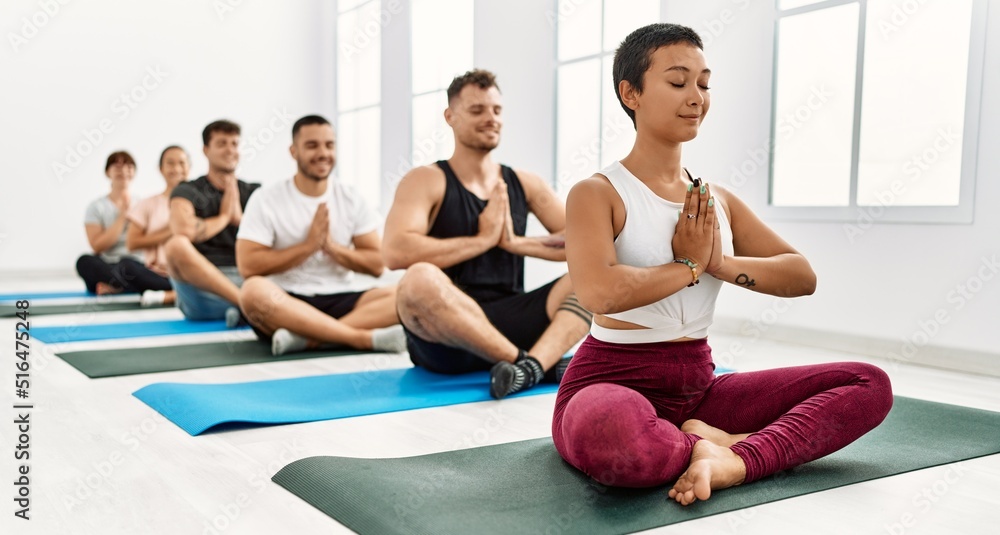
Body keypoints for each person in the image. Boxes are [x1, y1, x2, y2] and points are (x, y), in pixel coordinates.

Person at [553, 23, 893, 506]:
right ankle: (710, 445)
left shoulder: (716, 200)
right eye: (677, 82)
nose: (696, 97)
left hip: (698, 387)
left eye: (704, 83)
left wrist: (719, 264)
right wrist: (689, 266)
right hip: (609, 382)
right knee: (617, 438)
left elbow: (802, 276)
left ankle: (734, 459)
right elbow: (600, 293)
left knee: (868, 384)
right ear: (631, 93)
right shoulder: (598, 193)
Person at [384, 69, 592, 399]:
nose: (490, 119)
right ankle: (534, 365)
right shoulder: (426, 179)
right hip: (447, 337)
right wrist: (482, 241)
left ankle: (525, 369)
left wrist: (515, 243)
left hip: (512, 318)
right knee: (417, 280)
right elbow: (395, 251)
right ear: (450, 116)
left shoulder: (524, 183)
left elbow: (587, 242)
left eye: (496, 110)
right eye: (477, 110)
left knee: (589, 275)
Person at [236, 115, 405, 355]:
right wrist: (308, 246)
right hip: (287, 300)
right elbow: (248, 266)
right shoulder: (266, 199)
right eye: (312, 145)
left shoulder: (350, 197)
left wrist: (332, 248)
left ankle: (310, 340)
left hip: (343, 298)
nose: (323, 153)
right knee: (252, 291)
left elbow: (377, 265)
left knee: (407, 292)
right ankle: (359, 338)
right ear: (294, 151)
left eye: (329, 145)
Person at [163, 120, 260, 323]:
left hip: (249, 280)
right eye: (222, 143)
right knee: (175, 245)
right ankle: (247, 306)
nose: (230, 150)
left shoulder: (254, 191)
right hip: (203, 290)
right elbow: (184, 231)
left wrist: (239, 219)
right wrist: (224, 218)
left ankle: (240, 311)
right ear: (206, 150)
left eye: (234, 144)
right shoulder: (187, 190)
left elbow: (272, 238)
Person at [76, 151, 174, 297]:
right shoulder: (96, 207)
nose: (123, 170)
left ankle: (118, 287)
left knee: (128, 266)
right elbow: (97, 246)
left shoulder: (143, 203)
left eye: (128, 166)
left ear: (134, 172)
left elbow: (151, 240)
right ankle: (129, 287)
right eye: (117, 166)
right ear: (107, 172)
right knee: (84, 262)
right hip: (108, 264)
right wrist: (122, 217)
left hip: (137, 265)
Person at [125, 145, 191, 307]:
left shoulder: (200, 202)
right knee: (126, 267)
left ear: (189, 167)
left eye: (182, 163)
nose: (176, 168)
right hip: (158, 274)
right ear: (160, 169)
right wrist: (173, 228)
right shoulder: (147, 204)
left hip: (192, 271)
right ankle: (184, 293)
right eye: (170, 163)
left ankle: (170, 296)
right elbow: (132, 243)